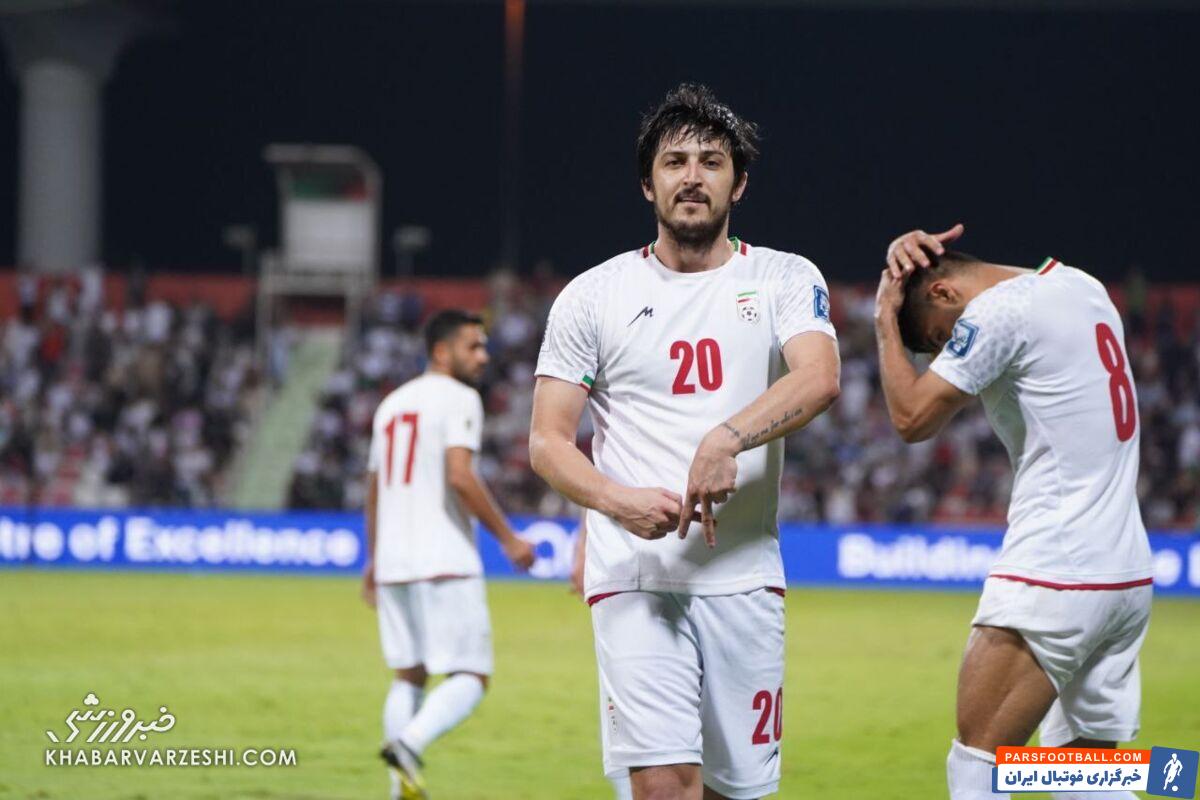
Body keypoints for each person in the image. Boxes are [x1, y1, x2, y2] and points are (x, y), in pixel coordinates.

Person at [530, 83, 841, 800]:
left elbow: (820, 377)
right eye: (674, 162)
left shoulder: (783, 277)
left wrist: (724, 438)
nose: (692, 176)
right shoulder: (593, 295)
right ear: (648, 184)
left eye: (711, 161)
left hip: (743, 575)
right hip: (635, 574)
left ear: (740, 182)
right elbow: (547, 441)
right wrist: (616, 502)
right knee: (665, 786)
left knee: (738, 791)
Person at [873, 224, 1154, 800]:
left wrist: (884, 319)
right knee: (1084, 778)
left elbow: (911, 418)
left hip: (1056, 572)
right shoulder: (1083, 288)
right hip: (1125, 577)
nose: (949, 354)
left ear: (943, 293)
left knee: (978, 764)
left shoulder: (1000, 311)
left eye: (941, 338)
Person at [362, 309, 535, 799]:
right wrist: (508, 537)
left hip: (395, 561)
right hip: (444, 557)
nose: (483, 356)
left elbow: (374, 489)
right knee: (472, 676)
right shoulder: (459, 398)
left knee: (409, 675)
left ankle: (399, 790)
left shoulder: (391, 404)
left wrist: (374, 559)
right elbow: (460, 475)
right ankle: (409, 745)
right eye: (472, 346)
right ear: (441, 352)